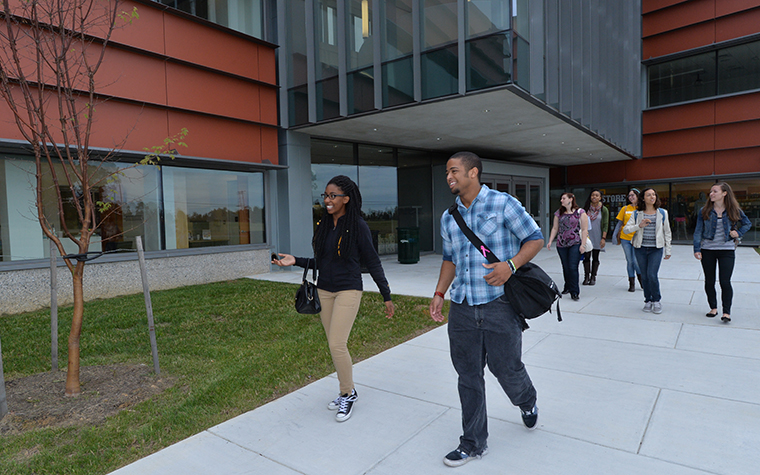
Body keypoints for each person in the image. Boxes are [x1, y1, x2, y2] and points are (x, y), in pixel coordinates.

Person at [429, 152, 543, 468]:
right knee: (468, 376)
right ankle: (473, 443)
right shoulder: (449, 217)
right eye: (447, 172)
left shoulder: (503, 204)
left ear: (473, 172)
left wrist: (510, 265)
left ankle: (527, 400)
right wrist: (440, 292)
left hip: (500, 305)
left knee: (507, 369)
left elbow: (534, 239)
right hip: (463, 307)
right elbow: (449, 259)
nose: (449, 177)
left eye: (454, 171)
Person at [272, 175, 395, 422]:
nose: (327, 200)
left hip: (348, 289)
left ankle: (347, 394)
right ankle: (346, 390)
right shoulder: (325, 224)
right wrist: (296, 260)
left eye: (332, 196)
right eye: (325, 196)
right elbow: (323, 262)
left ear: (346, 199)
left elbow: (372, 261)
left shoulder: (358, 225)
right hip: (324, 290)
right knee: (334, 344)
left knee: (337, 344)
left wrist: (386, 295)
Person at [692, 182, 752, 323]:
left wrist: (738, 232)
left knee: (725, 282)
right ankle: (713, 308)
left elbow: (747, 223)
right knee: (709, 281)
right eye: (711, 191)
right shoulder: (704, 210)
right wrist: (696, 249)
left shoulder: (734, 210)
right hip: (708, 250)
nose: (711, 194)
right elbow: (698, 231)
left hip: (727, 250)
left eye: (715, 191)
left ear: (724, 193)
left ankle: (726, 312)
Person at [623, 188, 672, 314]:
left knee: (652, 275)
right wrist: (639, 226)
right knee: (644, 276)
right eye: (648, 195)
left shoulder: (662, 213)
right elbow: (626, 230)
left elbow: (667, 232)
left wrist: (668, 249)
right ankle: (648, 300)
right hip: (640, 248)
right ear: (643, 198)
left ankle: (656, 300)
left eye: (654, 194)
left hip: (656, 249)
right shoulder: (637, 214)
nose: (652, 197)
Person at [546, 192, 589, 300]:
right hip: (561, 244)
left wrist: (583, 245)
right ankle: (568, 286)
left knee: (572, 267)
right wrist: (550, 240)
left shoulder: (580, 212)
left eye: (563, 198)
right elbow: (555, 228)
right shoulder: (558, 213)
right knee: (565, 266)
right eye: (561, 198)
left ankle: (575, 292)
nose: (561, 200)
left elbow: (584, 230)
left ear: (570, 199)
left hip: (575, 243)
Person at [615, 189, 642, 292]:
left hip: (637, 238)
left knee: (636, 261)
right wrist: (614, 236)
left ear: (638, 196)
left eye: (633, 195)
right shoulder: (625, 208)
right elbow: (619, 223)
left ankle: (642, 281)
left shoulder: (642, 209)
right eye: (629, 196)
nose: (631, 197)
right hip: (625, 238)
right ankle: (631, 284)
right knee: (629, 261)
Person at [582, 189, 609, 286]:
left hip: (598, 236)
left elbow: (605, 224)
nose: (594, 197)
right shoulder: (585, 209)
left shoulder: (603, 209)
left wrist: (603, 238)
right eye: (593, 195)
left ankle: (593, 276)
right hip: (587, 237)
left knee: (595, 257)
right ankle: (586, 277)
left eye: (597, 195)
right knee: (586, 257)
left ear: (600, 198)